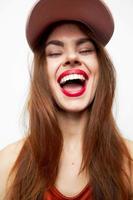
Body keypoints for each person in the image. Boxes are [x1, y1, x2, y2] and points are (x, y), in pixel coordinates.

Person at [0, 0, 133, 199]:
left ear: (100, 68)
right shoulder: (8, 165)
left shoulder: (130, 163)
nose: (71, 57)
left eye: (85, 50)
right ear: (43, 73)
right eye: (55, 52)